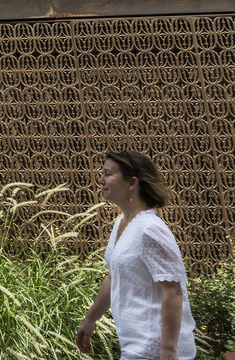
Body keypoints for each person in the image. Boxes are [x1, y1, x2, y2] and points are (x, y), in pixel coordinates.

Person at [76, 151, 196, 360]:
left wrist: (168, 351)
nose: (101, 180)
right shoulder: (121, 224)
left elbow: (173, 291)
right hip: (137, 346)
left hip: (154, 348)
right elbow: (114, 276)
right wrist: (90, 319)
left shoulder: (149, 229)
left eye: (108, 174)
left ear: (132, 183)